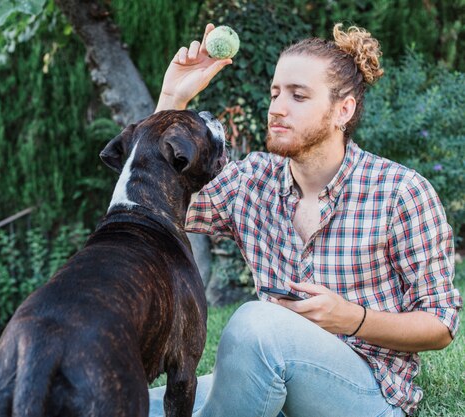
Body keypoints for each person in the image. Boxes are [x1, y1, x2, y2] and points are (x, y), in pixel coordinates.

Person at [149, 23, 462, 417]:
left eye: (298, 96)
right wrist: (172, 97)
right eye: (275, 93)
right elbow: (159, 195)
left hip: (369, 392)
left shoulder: (400, 191)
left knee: (257, 325)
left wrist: (351, 318)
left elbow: (440, 323)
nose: (277, 108)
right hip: (275, 372)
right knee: (118, 401)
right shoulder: (252, 181)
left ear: (342, 110)